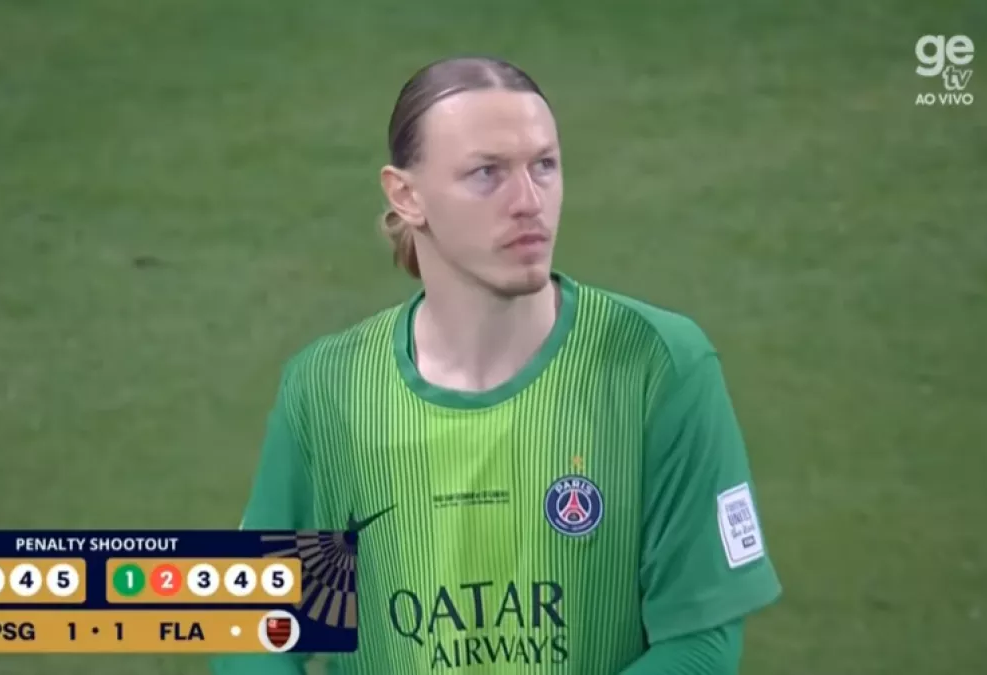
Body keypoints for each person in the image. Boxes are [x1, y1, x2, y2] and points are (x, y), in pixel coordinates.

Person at [211, 55, 781, 674]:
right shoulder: (326, 388)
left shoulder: (659, 365)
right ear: (406, 196)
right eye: (487, 173)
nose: (529, 202)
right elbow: (254, 633)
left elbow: (700, 642)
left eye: (545, 165)